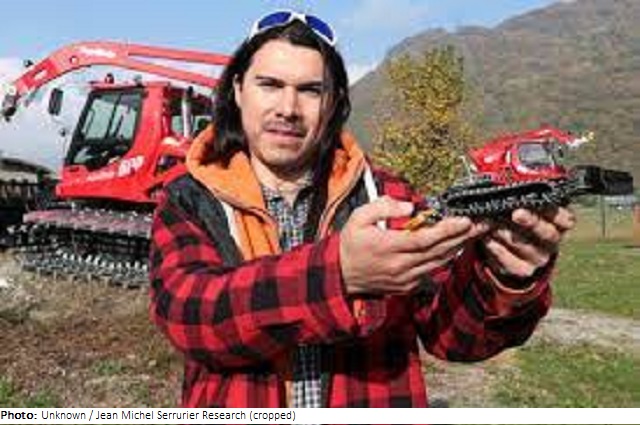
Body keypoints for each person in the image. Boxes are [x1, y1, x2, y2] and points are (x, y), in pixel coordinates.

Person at [149, 10, 576, 408]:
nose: (288, 109)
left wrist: (503, 277)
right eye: (270, 85)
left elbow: (455, 338)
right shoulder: (189, 197)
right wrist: (338, 276)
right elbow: (191, 318)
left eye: (310, 90)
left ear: (334, 102)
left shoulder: (388, 198)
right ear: (238, 90)